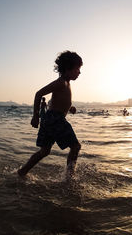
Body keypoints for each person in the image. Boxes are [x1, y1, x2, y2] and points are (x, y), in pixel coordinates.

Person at [18, 51, 83, 179]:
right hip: (55, 119)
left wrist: (70, 107)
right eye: (77, 69)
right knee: (75, 146)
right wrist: (35, 116)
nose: (79, 72)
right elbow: (38, 94)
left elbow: (55, 102)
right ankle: (69, 177)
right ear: (68, 68)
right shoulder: (61, 82)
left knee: (44, 151)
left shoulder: (66, 83)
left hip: (50, 119)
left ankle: (22, 172)